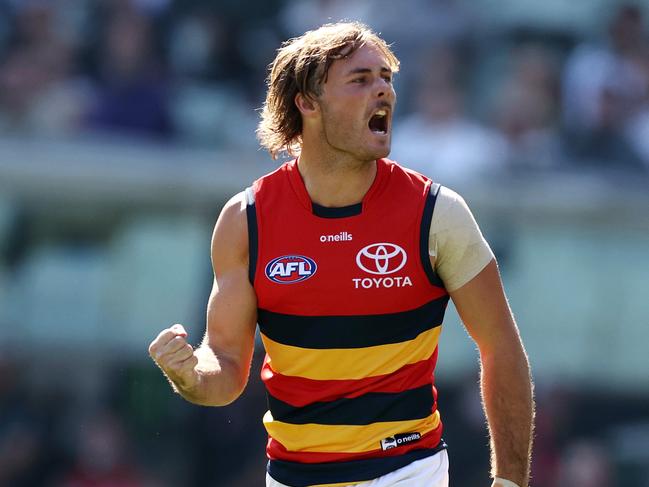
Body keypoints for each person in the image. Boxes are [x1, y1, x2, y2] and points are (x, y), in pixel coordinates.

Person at [148, 22, 534, 487]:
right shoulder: (245, 219)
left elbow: (501, 348)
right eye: (360, 80)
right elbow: (226, 367)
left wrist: (510, 482)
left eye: (386, 78)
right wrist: (192, 375)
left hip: (409, 472)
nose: (384, 92)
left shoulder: (438, 212)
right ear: (308, 103)